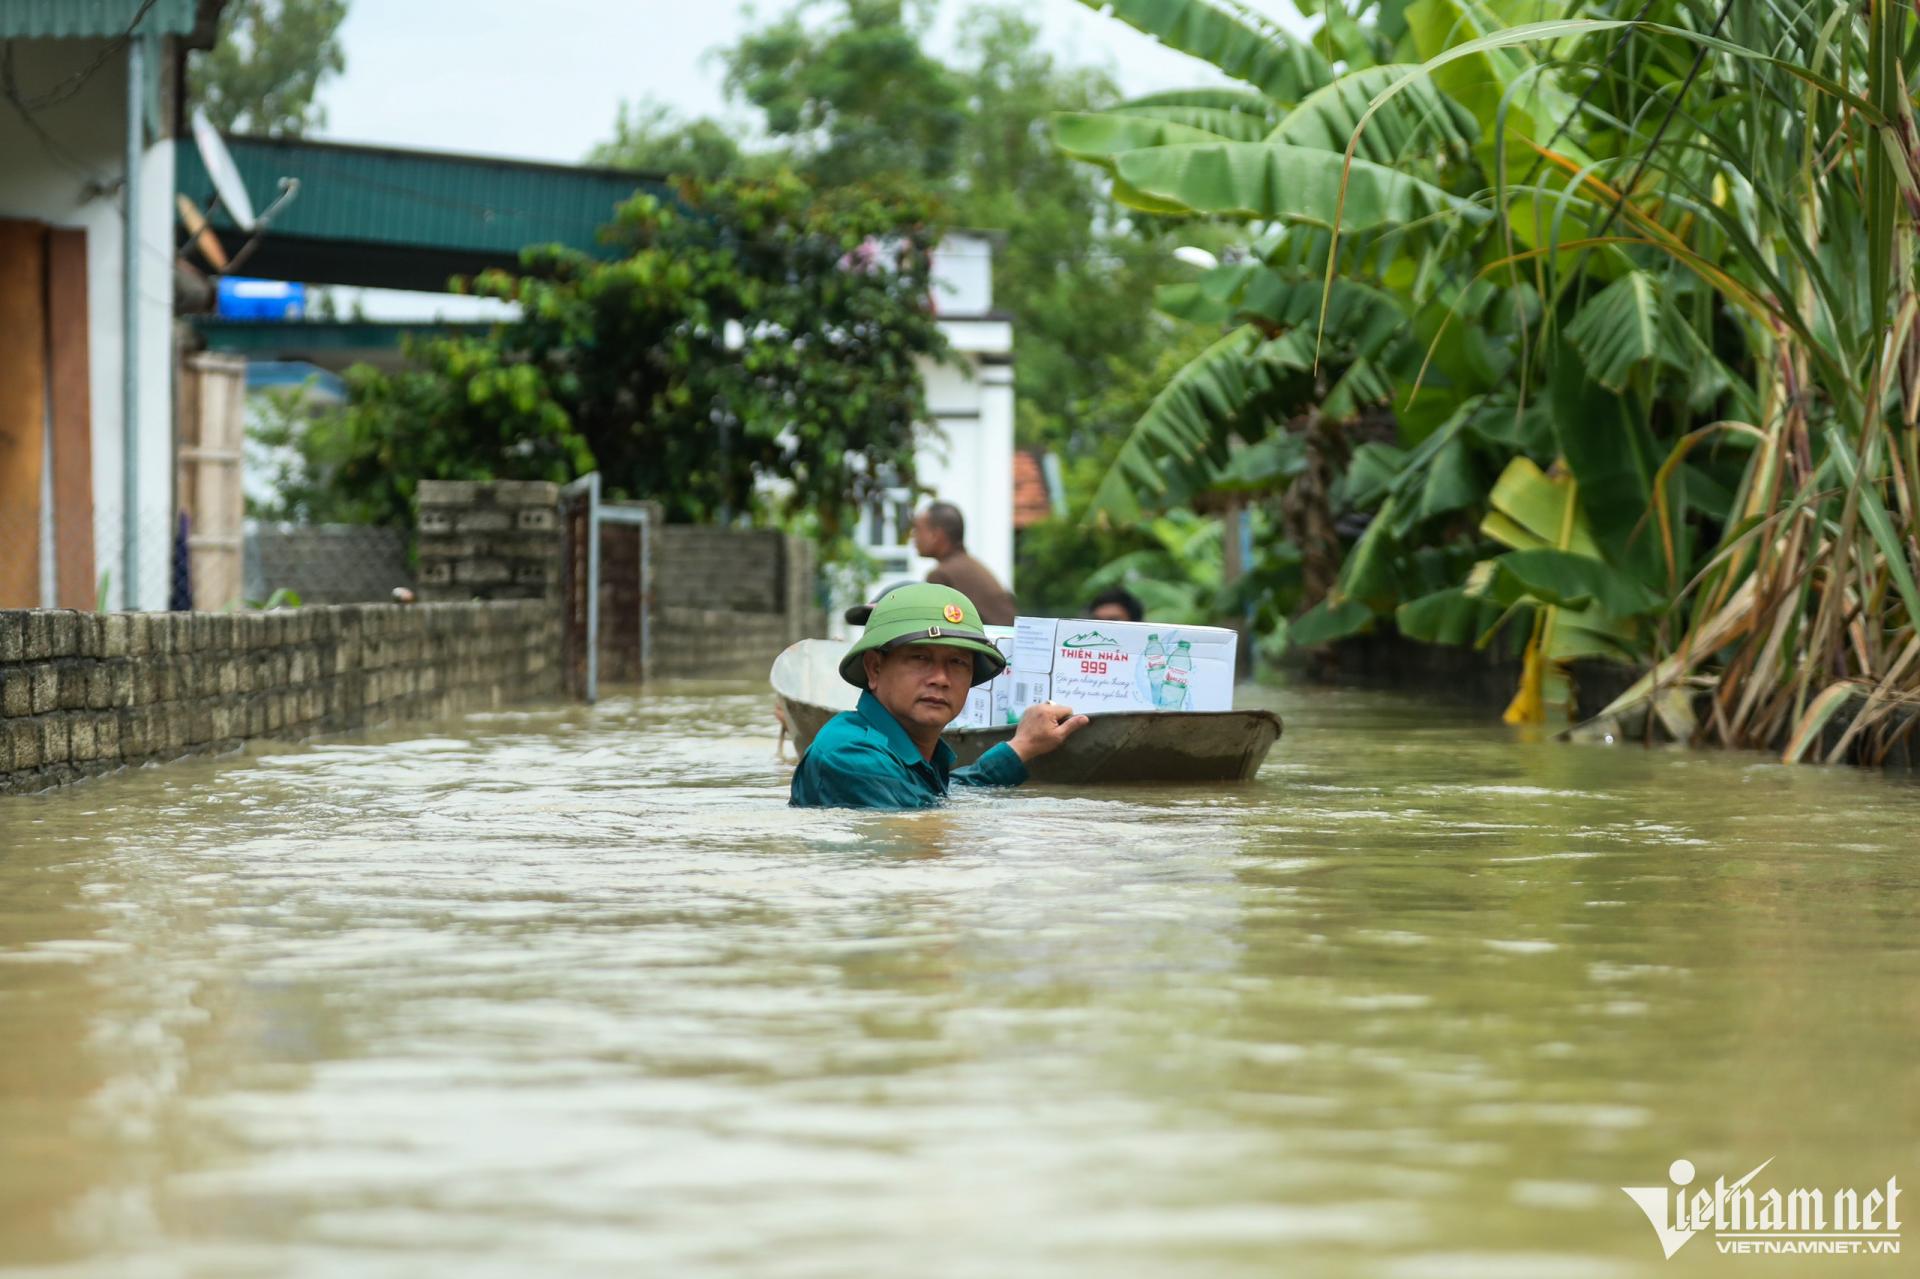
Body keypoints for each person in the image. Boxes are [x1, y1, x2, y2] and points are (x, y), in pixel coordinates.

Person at [791, 584, 1086, 809]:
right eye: (920, 658)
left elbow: (946, 794)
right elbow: (924, 836)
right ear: (875, 668)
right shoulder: (852, 756)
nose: (941, 679)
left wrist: (1023, 747)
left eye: (957, 663)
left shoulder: (911, 755)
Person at [912, 501, 1016, 626]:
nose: (913, 536)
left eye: (918, 529)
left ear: (935, 535)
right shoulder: (970, 565)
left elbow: (934, 631)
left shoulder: (941, 575)